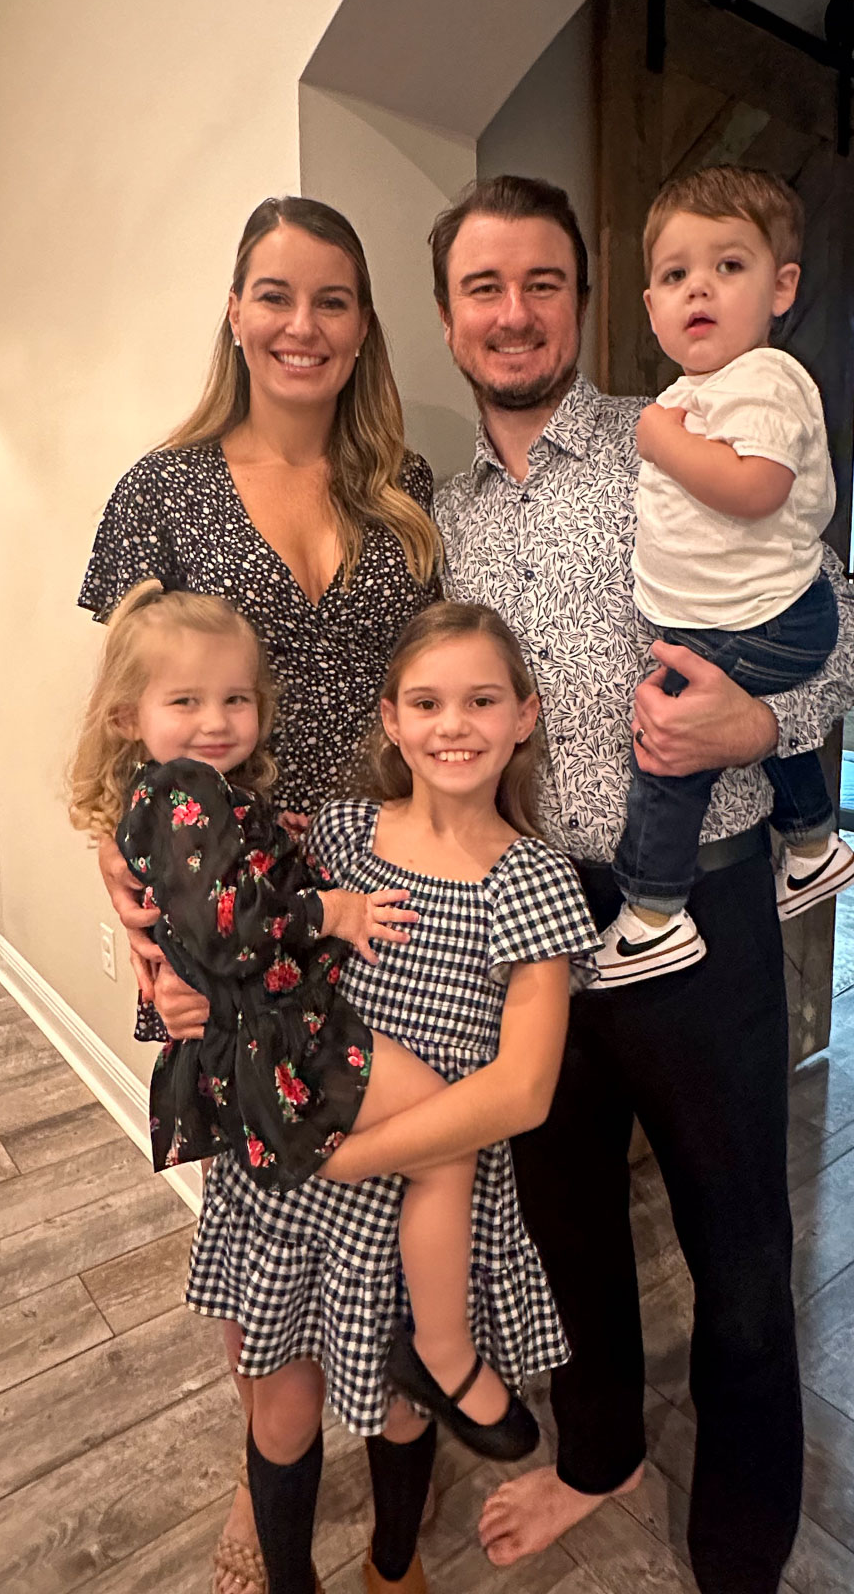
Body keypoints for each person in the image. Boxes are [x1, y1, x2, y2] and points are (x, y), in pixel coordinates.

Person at [431, 174, 854, 1594]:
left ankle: (743, 1537)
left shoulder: (684, 428)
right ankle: (604, 1451)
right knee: (567, 1220)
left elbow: (847, 628)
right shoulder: (439, 517)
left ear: (585, 299)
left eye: (542, 282)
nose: (514, 314)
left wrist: (764, 726)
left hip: (707, 909)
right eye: (483, 287)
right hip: (537, 927)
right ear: (449, 317)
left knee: (738, 1244)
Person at [78, 196, 440, 1594]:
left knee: (401, 1191)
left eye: (334, 300)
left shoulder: (399, 489)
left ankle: (411, 1427)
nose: (303, 326)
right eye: (276, 296)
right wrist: (128, 896)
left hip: (392, 892)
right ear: (235, 311)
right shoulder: (159, 492)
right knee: (267, 1217)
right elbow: (119, 714)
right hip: (231, 910)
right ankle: (267, 1478)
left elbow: (435, 700)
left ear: (363, 326)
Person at [147, 600, 597, 1594]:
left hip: (413, 1193)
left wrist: (354, 1156)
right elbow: (233, 917)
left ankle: (393, 1563)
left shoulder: (534, 881)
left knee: (404, 1408)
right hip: (295, 1175)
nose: (454, 725)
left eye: (482, 700)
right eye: (427, 702)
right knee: (284, 1406)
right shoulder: (341, 833)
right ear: (390, 719)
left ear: (524, 715)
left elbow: (522, 1090)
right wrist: (175, 979)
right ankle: (288, 1571)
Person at [68, 577, 543, 1465]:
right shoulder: (185, 794)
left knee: (440, 1140)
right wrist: (331, 910)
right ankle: (440, 1353)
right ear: (129, 716)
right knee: (446, 1138)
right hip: (284, 1038)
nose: (216, 720)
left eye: (235, 699)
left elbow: (205, 893)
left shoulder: (203, 795)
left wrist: (274, 845)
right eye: (187, 701)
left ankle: (426, 1357)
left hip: (267, 1029)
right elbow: (225, 922)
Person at [596, 165, 854, 987]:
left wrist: (660, 439)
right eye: (676, 276)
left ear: (782, 287)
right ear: (651, 307)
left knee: (667, 751)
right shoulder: (698, 391)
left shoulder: (764, 382)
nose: (698, 289)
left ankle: (652, 913)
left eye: (729, 267)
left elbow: (756, 489)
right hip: (746, 616)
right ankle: (814, 839)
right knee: (711, 717)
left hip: (769, 619)